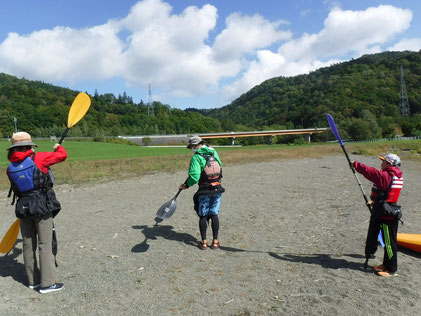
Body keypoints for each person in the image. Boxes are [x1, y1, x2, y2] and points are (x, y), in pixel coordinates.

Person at [7, 132, 67, 293]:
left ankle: (33, 281)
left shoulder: (10, 167)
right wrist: (58, 147)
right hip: (41, 205)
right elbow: (62, 155)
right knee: (44, 244)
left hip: (22, 207)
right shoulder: (39, 158)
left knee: (28, 244)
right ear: (29, 146)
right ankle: (47, 284)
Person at [353, 153, 403, 277]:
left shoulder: (387, 176)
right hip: (384, 211)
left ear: (389, 164)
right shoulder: (394, 176)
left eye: (383, 161)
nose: (381, 163)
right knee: (386, 241)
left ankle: (392, 269)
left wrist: (355, 165)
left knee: (389, 243)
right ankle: (385, 265)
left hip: (387, 216)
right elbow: (387, 195)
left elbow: (371, 173)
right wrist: (374, 202)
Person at [179, 136, 225, 250]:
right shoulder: (213, 152)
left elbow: (194, 176)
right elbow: (220, 166)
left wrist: (186, 185)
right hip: (217, 188)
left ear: (195, 146)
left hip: (204, 190)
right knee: (214, 213)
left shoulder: (196, 157)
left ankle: (204, 243)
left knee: (203, 214)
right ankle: (215, 242)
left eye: (192, 147)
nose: (192, 149)